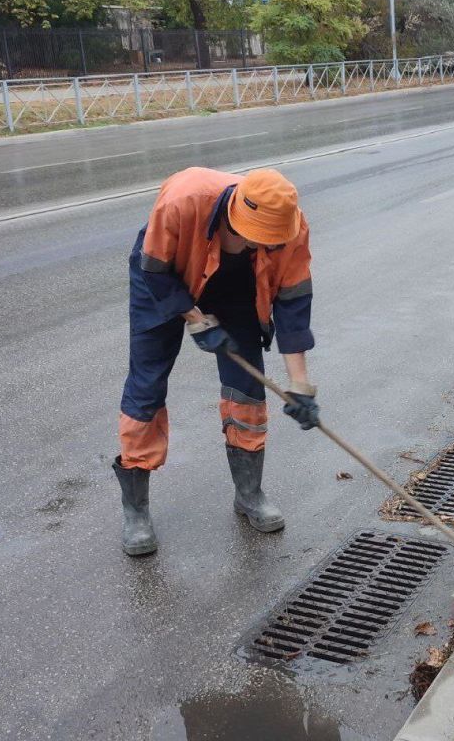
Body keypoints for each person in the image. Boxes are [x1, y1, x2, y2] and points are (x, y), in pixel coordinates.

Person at [113, 167, 318, 556]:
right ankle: (135, 510)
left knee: (247, 390)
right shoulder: (183, 199)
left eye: (269, 242)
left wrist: (299, 384)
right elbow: (154, 268)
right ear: (235, 217)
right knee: (147, 383)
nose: (264, 245)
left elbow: (292, 302)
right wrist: (194, 319)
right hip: (165, 274)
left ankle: (249, 494)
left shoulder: (290, 226)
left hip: (239, 288)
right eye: (257, 239)